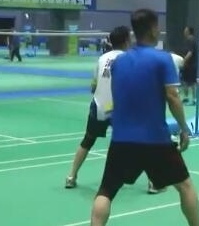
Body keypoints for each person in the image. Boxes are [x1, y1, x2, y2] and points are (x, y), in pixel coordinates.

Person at [89, 9, 199, 226]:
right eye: (157, 26)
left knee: (106, 191)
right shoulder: (163, 59)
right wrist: (184, 129)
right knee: (185, 186)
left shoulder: (118, 62)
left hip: (121, 140)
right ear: (152, 29)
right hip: (156, 140)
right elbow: (172, 97)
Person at [66, 26, 164, 193]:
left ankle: (71, 176)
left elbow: (93, 87)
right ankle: (153, 183)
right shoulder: (130, 59)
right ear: (126, 41)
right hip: (121, 108)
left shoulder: (102, 59)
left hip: (99, 106)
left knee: (88, 140)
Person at [181, 27, 198, 106]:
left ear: (188, 31)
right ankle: (186, 98)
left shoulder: (191, 40)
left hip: (191, 65)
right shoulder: (187, 40)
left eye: (185, 30)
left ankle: (194, 99)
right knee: (185, 81)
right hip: (187, 66)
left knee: (192, 82)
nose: (184, 31)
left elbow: (190, 53)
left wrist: (183, 61)